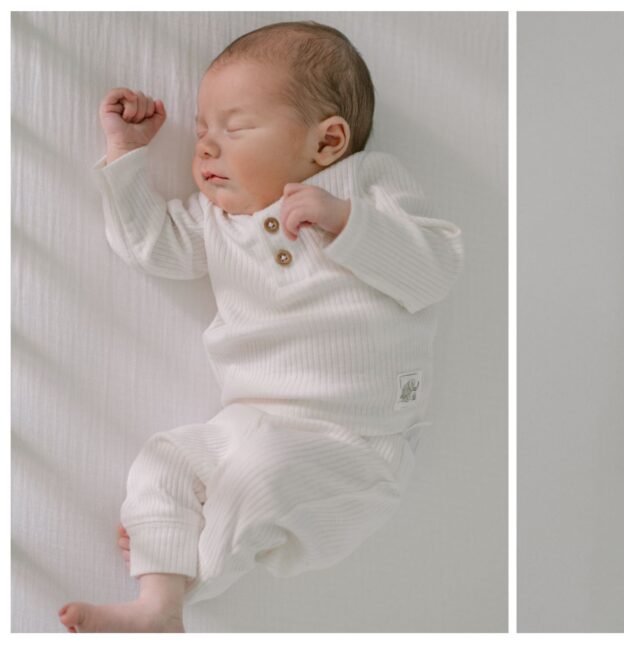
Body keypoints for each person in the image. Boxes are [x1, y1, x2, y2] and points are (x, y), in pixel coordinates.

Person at [59, 21, 463, 632]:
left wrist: (345, 221)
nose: (206, 149)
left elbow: (434, 270)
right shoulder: (218, 219)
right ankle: (158, 605)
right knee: (165, 460)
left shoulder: (366, 185)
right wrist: (125, 151)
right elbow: (151, 244)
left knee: (257, 477)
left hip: (358, 439)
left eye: (235, 127)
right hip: (252, 419)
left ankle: (188, 575)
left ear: (327, 143)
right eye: (201, 133)